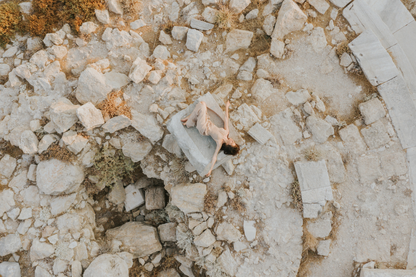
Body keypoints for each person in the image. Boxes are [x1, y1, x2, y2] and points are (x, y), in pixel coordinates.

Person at [181, 100, 240, 177]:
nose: (232, 140)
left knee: (202, 104)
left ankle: (190, 119)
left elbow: (214, 157)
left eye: (232, 143)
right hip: (207, 121)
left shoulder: (220, 142)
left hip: (203, 127)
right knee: (203, 105)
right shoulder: (226, 132)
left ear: (228, 145)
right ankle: (190, 119)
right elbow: (226, 119)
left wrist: (210, 170)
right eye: (234, 142)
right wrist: (227, 107)